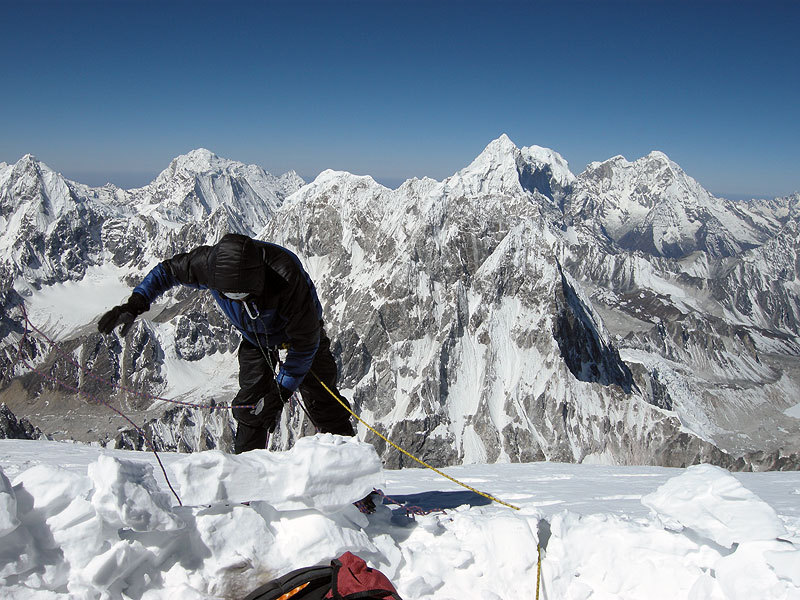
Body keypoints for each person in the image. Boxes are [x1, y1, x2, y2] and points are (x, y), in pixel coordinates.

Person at [97, 233, 355, 453]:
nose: (237, 299)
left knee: (325, 404)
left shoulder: (285, 277)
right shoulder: (209, 264)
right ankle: (246, 485)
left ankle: (357, 485)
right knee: (251, 410)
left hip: (300, 336)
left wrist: (280, 392)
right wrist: (135, 304)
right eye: (229, 295)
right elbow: (167, 272)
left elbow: (305, 345)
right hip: (257, 340)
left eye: (242, 294)